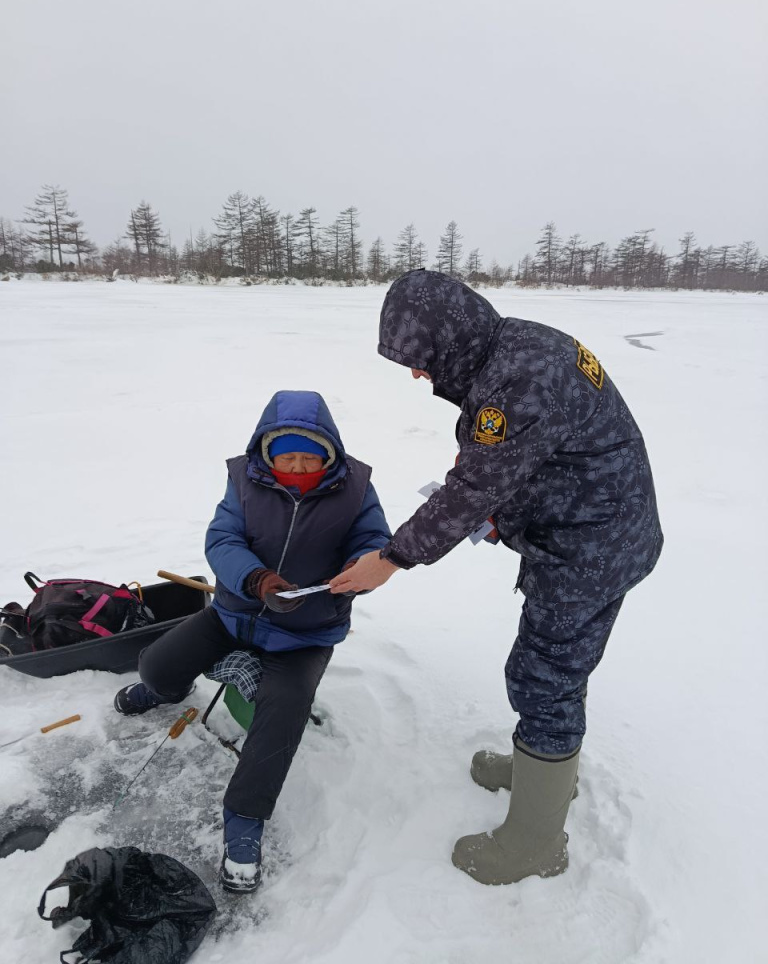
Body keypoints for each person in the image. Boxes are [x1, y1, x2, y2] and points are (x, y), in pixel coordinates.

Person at [330, 270, 663, 886]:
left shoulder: (520, 381)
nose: (417, 374)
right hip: (592, 530)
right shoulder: (517, 345)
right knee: (554, 667)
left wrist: (393, 558)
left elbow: (473, 489)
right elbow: (511, 459)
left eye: (421, 358)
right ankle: (542, 770)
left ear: (451, 338)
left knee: (543, 678)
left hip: (591, 549)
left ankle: (536, 842)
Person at [114, 390, 391, 893]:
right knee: (157, 665)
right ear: (267, 451)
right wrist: (257, 580)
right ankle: (163, 690)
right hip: (236, 612)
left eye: (310, 456)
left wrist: (361, 568)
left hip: (306, 632)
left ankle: (244, 820)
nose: (299, 466)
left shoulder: (355, 489)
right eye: (288, 456)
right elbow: (222, 539)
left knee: (280, 717)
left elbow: (373, 542)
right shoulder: (245, 479)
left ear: (330, 453)